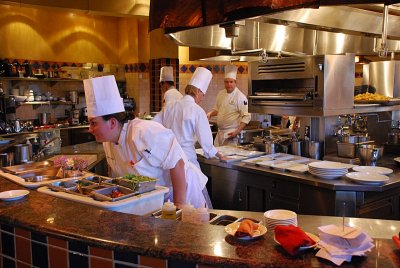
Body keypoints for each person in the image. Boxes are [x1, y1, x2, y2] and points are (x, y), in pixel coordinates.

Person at [84, 75, 208, 208]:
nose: (90, 129)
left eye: (93, 123)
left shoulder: (142, 132)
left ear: (112, 123)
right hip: (154, 199)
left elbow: (177, 163)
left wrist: (178, 206)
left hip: (182, 195)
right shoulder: (108, 142)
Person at [154, 67, 226, 169]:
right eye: (203, 94)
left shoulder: (169, 107)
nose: (202, 97)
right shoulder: (197, 111)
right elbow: (207, 143)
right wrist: (220, 155)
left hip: (169, 158)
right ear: (197, 91)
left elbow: (154, 125)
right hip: (186, 159)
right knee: (191, 184)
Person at [206, 64, 251, 146]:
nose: (229, 84)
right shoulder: (221, 94)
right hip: (219, 133)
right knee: (217, 157)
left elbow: (246, 117)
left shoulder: (240, 97)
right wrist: (210, 114)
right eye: (226, 82)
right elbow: (217, 109)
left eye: (231, 82)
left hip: (231, 133)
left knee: (229, 157)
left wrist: (237, 132)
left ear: (235, 82)